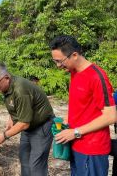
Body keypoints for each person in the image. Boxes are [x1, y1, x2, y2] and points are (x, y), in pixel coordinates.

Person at [49, 35, 117, 176]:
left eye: (60, 61)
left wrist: (75, 132)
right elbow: (85, 107)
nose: (58, 65)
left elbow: (111, 116)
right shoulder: (74, 72)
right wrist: (69, 123)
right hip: (77, 145)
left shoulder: (96, 76)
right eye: (54, 61)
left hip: (92, 149)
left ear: (74, 55)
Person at [0, 62, 55, 176]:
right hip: (28, 127)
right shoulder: (6, 86)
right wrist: (11, 118)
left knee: (36, 166)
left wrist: (4, 135)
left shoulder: (20, 89)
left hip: (41, 127)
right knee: (24, 160)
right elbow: (16, 105)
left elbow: (24, 123)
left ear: (6, 77)